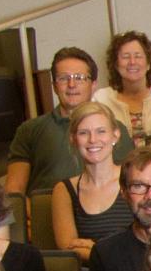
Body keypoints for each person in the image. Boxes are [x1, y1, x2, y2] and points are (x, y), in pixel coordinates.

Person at [5, 46, 136, 197]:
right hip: (46, 213)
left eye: (79, 78)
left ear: (93, 84)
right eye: (63, 78)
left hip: (104, 211)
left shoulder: (114, 129)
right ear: (54, 85)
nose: (72, 85)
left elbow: (131, 180)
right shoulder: (29, 130)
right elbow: (15, 189)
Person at [51, 102, 134, 260]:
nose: (93, 140)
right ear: (73, 139)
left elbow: (147, 243)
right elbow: (68, 249)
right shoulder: (64, 190)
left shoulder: (133, 179)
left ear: (115, 135)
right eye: (84, 133)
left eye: (101, 131)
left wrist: (95, 250)